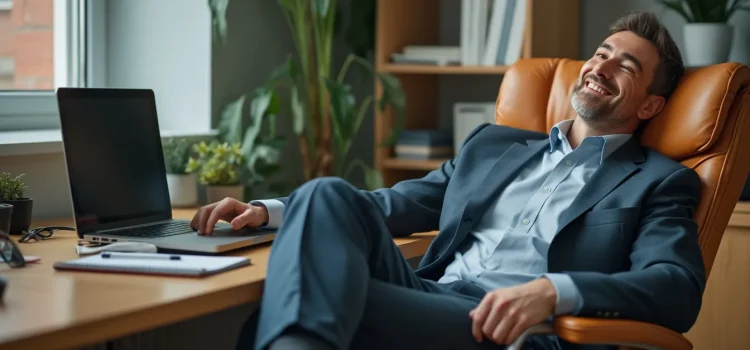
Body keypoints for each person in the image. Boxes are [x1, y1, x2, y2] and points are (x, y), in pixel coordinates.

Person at [191, 11, 705, 350]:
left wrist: (554, 291)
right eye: (601, 52)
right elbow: (393, 203)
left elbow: (676, 289)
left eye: (627, 66)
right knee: (324, 193)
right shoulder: (493, 146)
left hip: (514, 330)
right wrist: (268, 212)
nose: (601, 66)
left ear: (650, 105)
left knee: (289, 310)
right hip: (429, 291)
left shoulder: (659, 182)